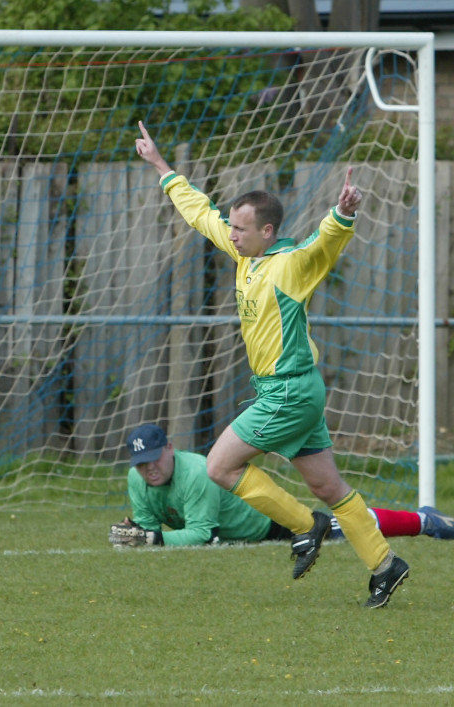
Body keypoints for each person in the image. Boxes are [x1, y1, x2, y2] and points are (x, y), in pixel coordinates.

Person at [134, 121, 410, 608]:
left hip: (288, 392)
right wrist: (161, 166)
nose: (232, 234)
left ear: (267, 231)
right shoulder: (246, 256)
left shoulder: (288, 264)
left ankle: (304, 526)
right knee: (328, 484)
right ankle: (386, 565)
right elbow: (202, 215)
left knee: (219, 467)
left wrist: (341, 216)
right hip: (289, 391)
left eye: (241, 228)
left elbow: (321, 247)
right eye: (232, 226)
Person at [112, 423, 454, 548]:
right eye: (142, 464)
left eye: (155, 458)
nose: (150, 468)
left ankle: (426, 521)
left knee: (346, 525)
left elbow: (204, 535)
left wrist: (152, 540)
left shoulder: (197, 473)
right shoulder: (135, 478)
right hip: (238, 531)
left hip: (269, 523)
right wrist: (140, 535)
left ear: (170, 448)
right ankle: (424, 519)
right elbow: (148, 530)